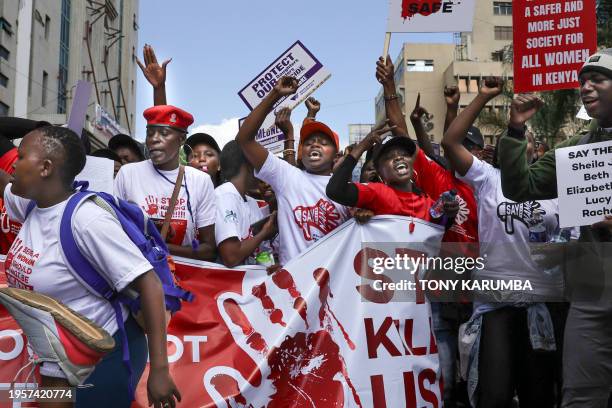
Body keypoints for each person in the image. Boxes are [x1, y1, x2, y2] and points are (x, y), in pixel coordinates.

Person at [0, 125, 179, 408]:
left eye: (21, 157)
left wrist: (159, 371)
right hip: (59, 359)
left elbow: (150, 284)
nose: (13, 164)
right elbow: (3, 182)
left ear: (45, 168)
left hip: (105, 355)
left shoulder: (87, 221)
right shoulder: (32, 205)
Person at [498, 48, 612, 408]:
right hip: (593, 289)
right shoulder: (576, 148)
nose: (586, 87)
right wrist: (516, 129)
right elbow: (521, 188)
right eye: (582, 81)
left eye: (598, 79)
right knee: (580, 391)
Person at [442, 77, 564, 408]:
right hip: (496, 303)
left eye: (529, 138)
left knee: (538, 396)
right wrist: (482, 97)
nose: (522, 141)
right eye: (516, 136)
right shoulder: (487, 179)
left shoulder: (557, 190)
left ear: (537, 150)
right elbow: (451, 142)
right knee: (493, 396)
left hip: (542, 304)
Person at [377, 56, 479, 407]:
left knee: (481, 384)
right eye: (455, 146)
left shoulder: (488, 185)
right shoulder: (437, 178)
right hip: (440, 295)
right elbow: (400, 132)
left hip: (481, 297)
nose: (459, 150)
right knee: (446, 382)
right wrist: (390, 86)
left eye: (467, 146)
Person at [235, 76, 350, 266]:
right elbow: (245, 140)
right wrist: (275, 94)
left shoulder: (348, 190)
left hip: (334, 283)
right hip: (294, 285)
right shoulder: (287, 176)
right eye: (309, 142)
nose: (315, 145)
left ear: (335, 154)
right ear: (301, 151)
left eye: (323, 142)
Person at [114, 105, 217, 261]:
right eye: (150, 133)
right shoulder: (128, 174)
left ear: (181, 139)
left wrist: (158, 248)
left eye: (164, 133)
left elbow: (208, 249)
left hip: (182, 278)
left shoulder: (200, 181)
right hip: (136, 276)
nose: (154, 139)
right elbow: (114, 231)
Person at [215, 140, 277, 267]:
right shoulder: (224, 195)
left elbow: (261, 253)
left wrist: (271, 267)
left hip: (254, 283)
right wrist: (264, 233)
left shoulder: (251, 202)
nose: (264, 169)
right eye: (260, 162)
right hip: (232, 284)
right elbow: (231, 257)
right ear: (250, 163)